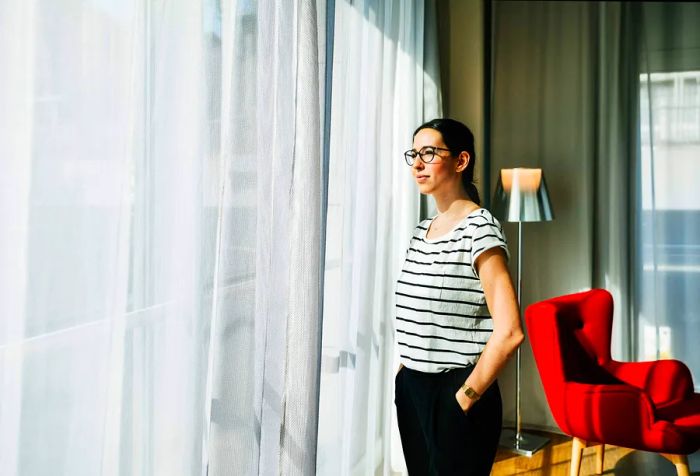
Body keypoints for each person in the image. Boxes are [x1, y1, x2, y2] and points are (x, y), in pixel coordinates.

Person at [394, 118, 524, 475]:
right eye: (414, 154)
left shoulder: (480, 228)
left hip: (456, 391)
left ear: (461, 161)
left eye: (430, 153)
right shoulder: (422, 231)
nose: (418, 164)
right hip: (412, 389)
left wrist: (464, 397)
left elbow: (510, 330)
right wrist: (406, 373)